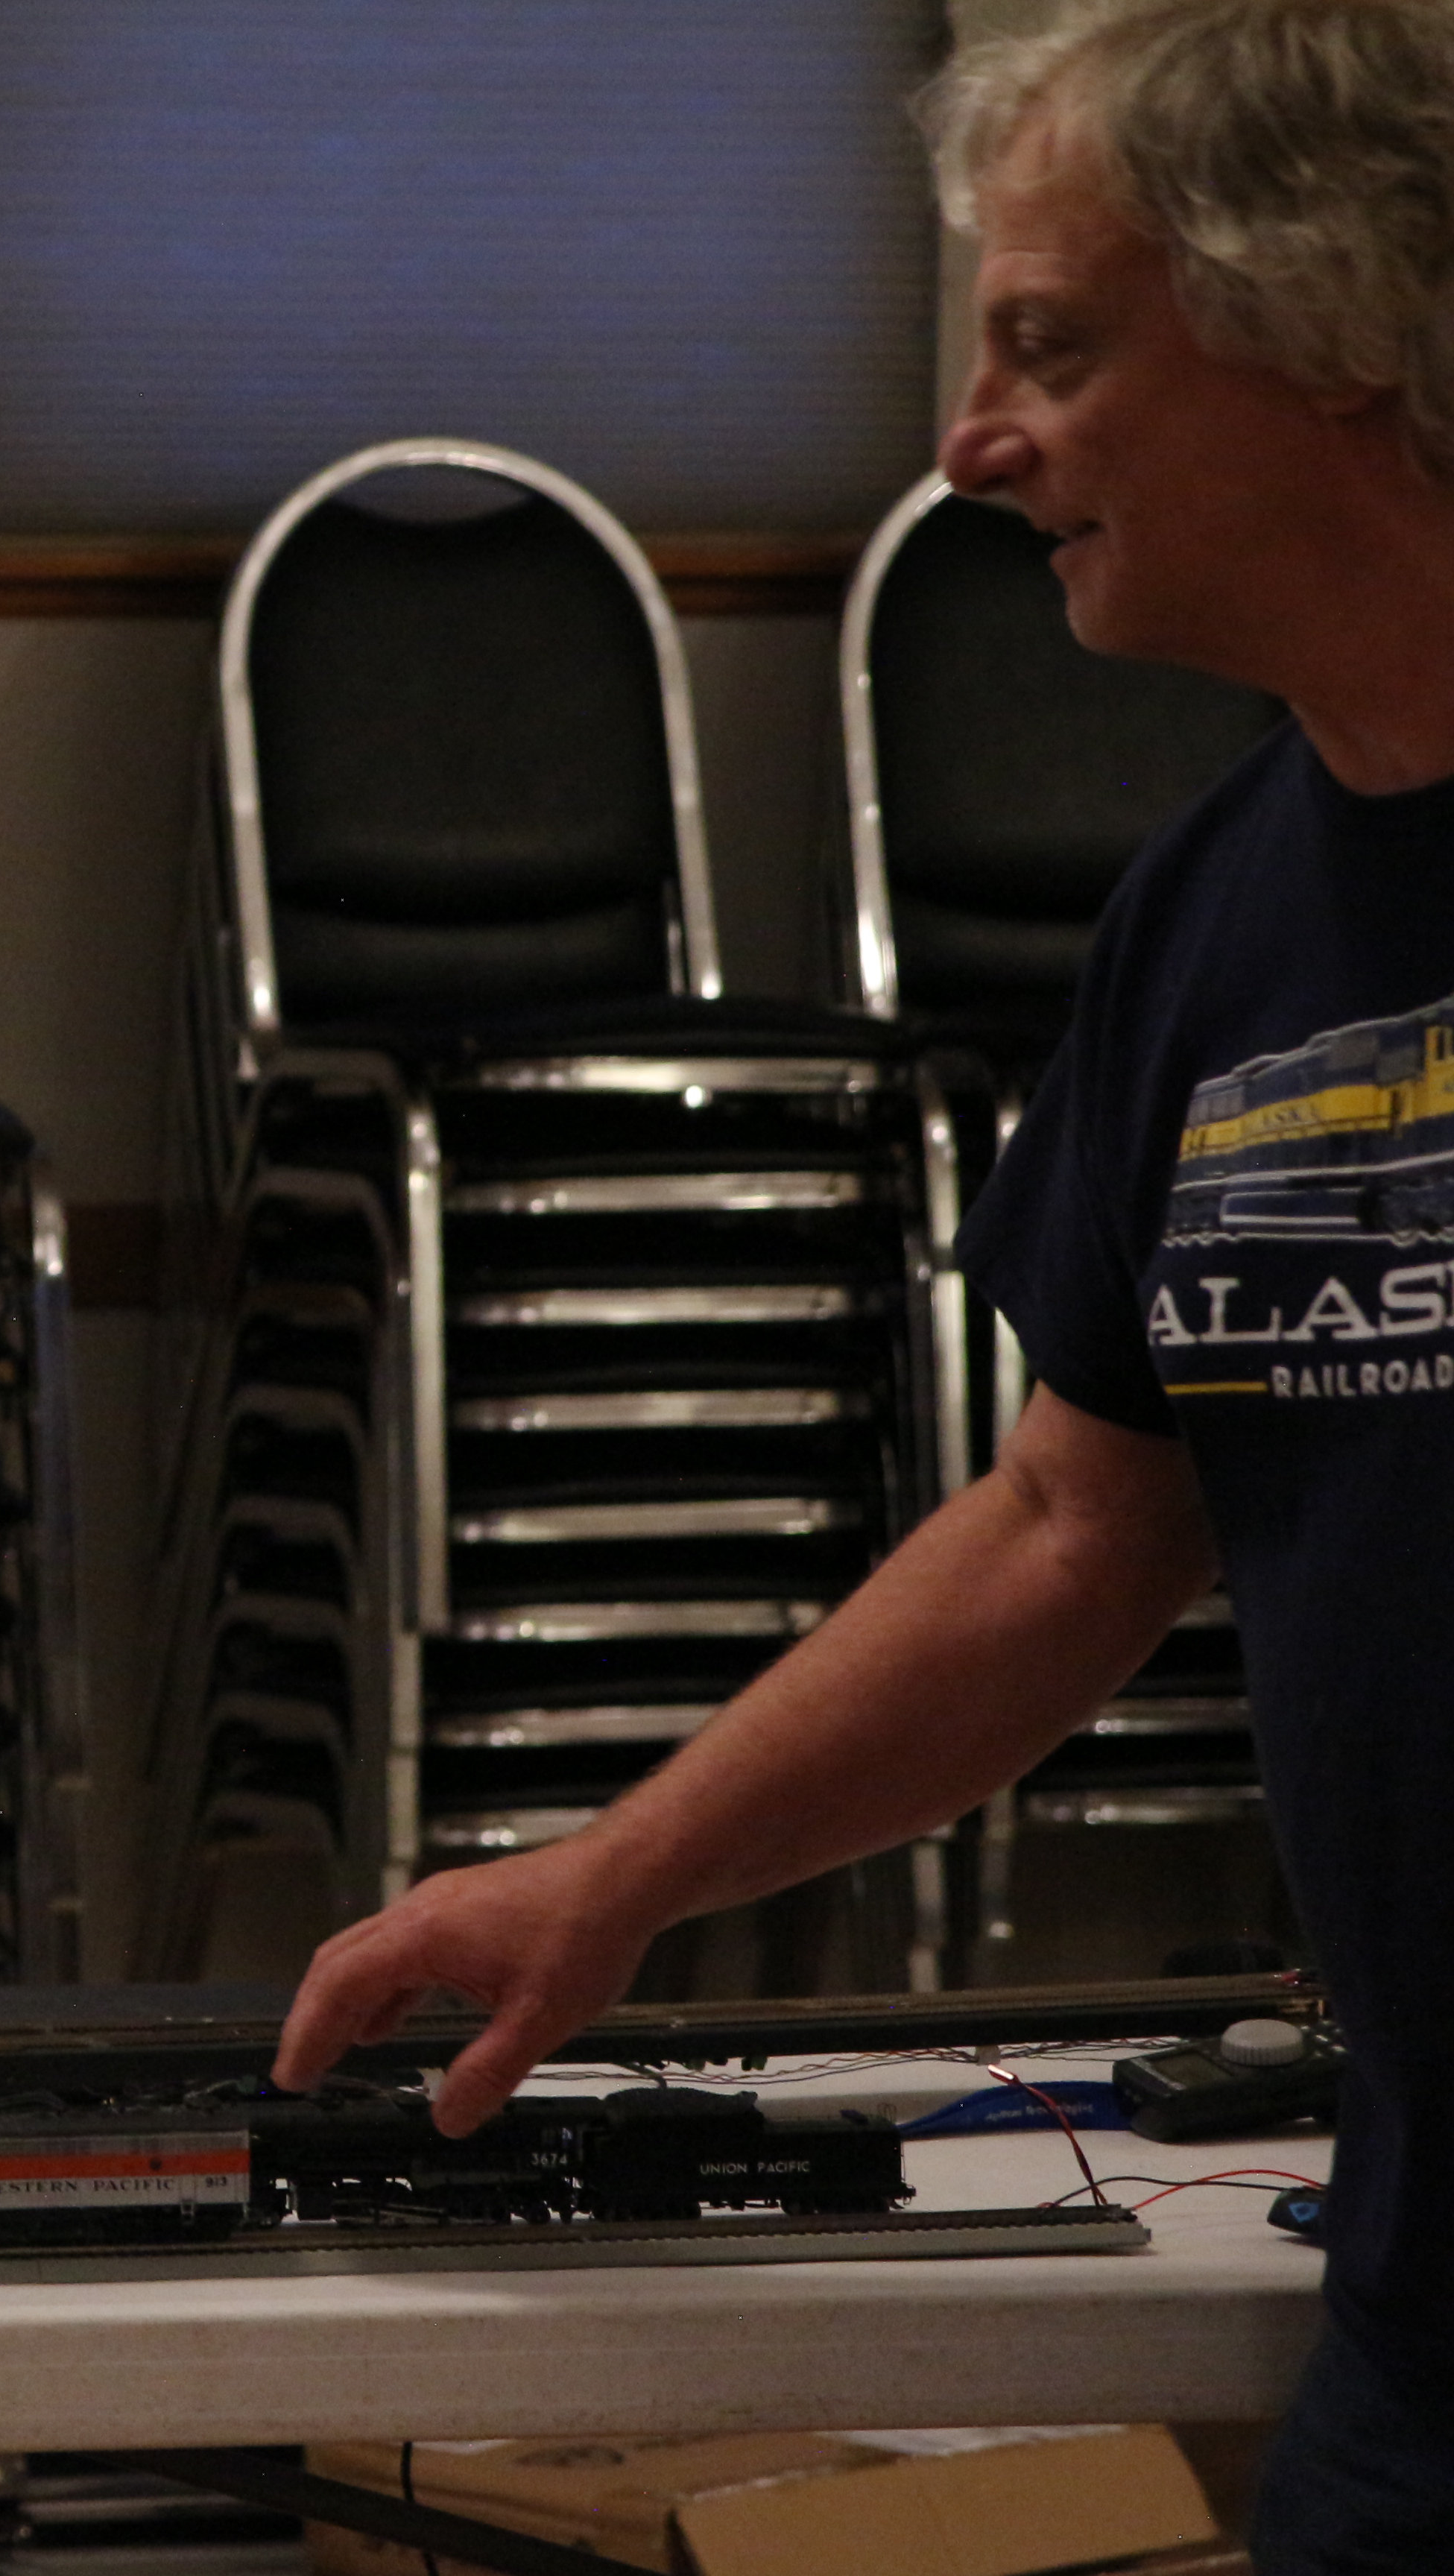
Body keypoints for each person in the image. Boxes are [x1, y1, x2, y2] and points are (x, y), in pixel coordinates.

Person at [269, 4, 1454, 2559]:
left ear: (1341, 324)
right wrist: (612, 1882)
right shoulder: (1222, 911)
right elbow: (1066, 1529)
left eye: (1051, 345)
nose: (970, 443)